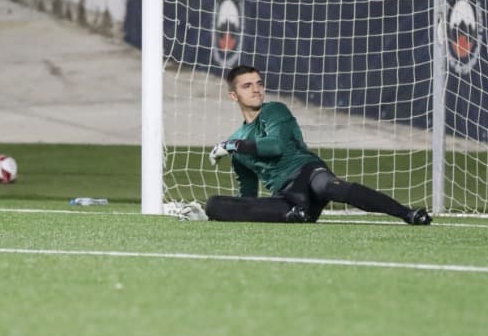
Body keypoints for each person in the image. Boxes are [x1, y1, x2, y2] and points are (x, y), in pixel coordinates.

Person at [181, 64, 432, 225]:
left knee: (328, 186)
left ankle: (407, 213)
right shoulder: (238, 144)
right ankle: (294, 215)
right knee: (214, 204)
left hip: (308, 174)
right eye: (248, 86)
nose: (256, 90)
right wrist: (222, 211)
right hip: (288, 198)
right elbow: (248, 196)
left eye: (259, 83)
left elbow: (274, 147)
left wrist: (233, 145)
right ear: (233, 96)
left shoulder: (274, 111)